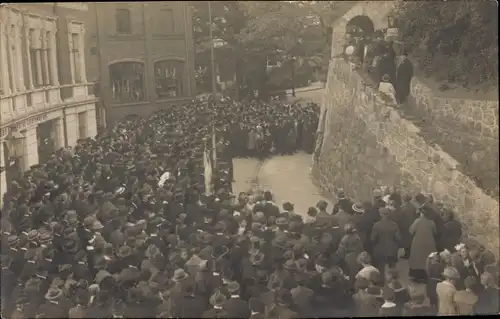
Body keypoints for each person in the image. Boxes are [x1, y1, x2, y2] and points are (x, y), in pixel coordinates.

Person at [408, 206, 437, 283]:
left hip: (418, 243)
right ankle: (427, 275)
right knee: (427, 259)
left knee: (417, 260)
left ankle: (417, 276)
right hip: (429, 243)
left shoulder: (417, 221)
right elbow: (435, 231)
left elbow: (411, 231)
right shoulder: (431, 222)